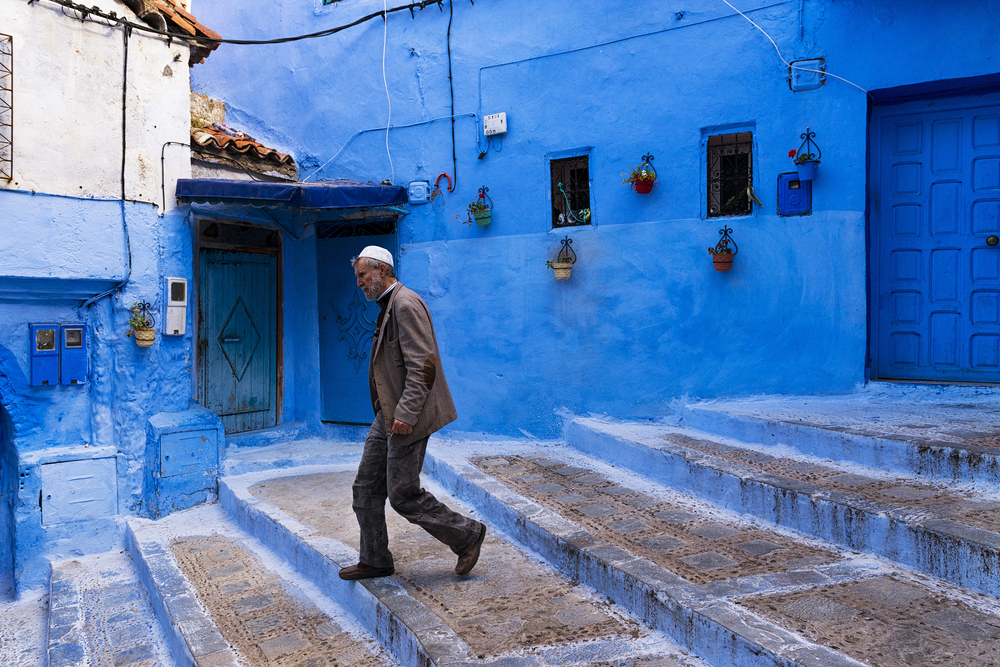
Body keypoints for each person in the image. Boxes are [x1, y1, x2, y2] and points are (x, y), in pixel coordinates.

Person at [338, 245, 487, 581]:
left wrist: (405, 413)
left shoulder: (405, 304)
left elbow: (425, 364)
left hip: (407, 415)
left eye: (362, 275)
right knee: (365, 489)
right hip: (388, 414)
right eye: (358, 277)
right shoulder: (389, 304)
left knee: (403, 494)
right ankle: (375, 559)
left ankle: (466, 535)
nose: (359, 283)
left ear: (381, 270)